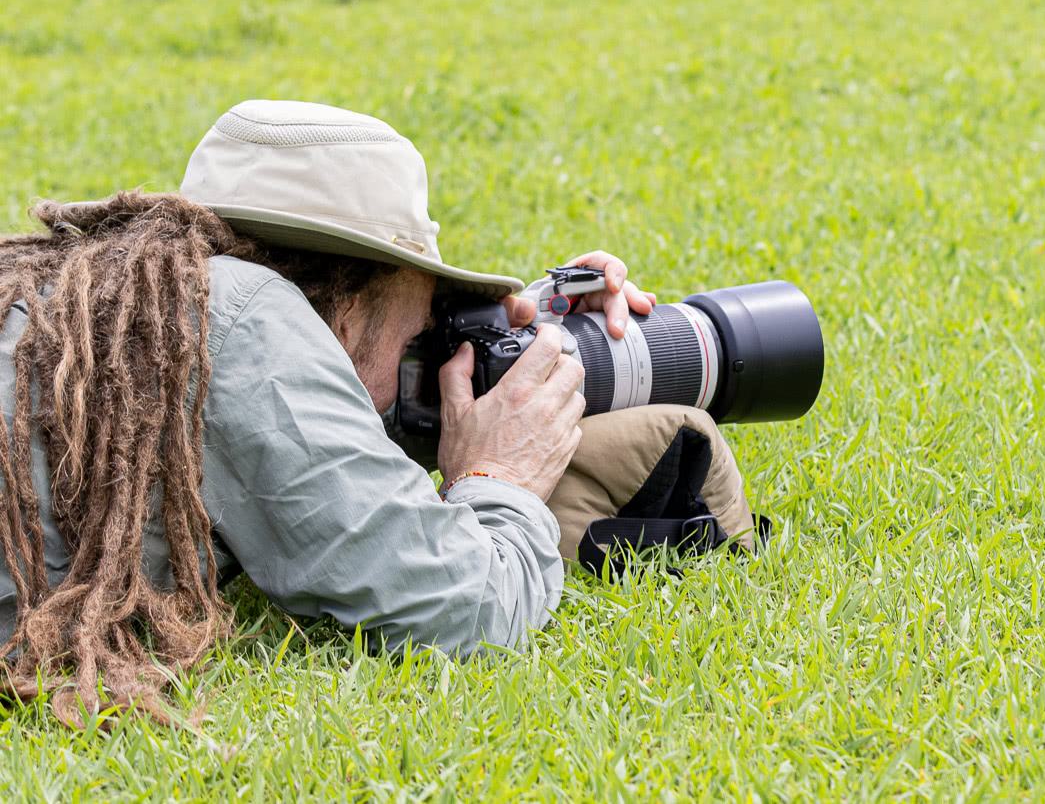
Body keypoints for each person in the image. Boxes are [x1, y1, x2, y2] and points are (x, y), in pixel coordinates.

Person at [0, 100, 688, 725]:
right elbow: (464, 611)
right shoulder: (249, 320)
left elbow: (315, 422)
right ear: (350, 312)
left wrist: (531, 336)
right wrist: (500, 475)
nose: (421, 352)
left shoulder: (131, 296)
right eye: (417, 331)